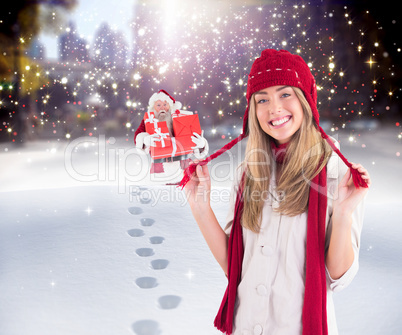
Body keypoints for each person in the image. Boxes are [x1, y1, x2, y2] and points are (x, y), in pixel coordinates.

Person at [183, 49, 370, 335]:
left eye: (285, 94)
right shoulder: (248, 172)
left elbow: (337, 276)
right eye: (262, 99)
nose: (274, 108)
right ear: (253, 111)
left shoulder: (335, 173)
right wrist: (200, 208)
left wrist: (344, 214)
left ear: (305, 100)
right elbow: (235, 266)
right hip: (245, 325)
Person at [134, 90, 208, 174]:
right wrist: (144, 141)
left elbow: (192, 135)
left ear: (170, 106)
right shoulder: (148, 121)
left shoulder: (180, 117)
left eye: (165, 104)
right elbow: (138, 136)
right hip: (160, 165)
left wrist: (201, 145)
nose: (162, 108)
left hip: (184, 163)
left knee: (188, 185)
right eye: (158, 105)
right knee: (159, 187)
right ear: (153, 107)